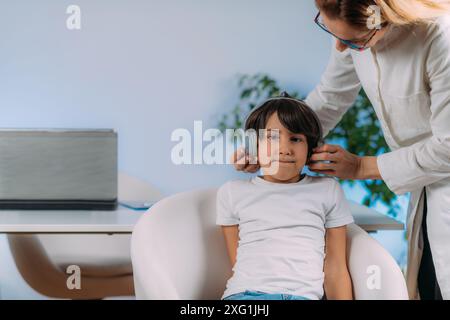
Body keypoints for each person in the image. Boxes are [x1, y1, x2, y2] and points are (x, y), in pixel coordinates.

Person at [234, 0, 450, 300]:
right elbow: (328, 100)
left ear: (381, 18)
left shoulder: (440, 38)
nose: (339, 48)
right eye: (329, 30)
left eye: (353, 42)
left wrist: (362, 167)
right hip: (426, 189)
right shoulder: (351, 33)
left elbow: (448, 147)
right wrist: (266, 144)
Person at [218, 94, 354, 300]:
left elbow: (335, 268)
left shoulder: (327, 190)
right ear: (254, 146)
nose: (283, 149)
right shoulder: (232, 193)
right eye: (271, 137)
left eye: (296, 138)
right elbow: (238, 262)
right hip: (245, 296)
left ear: (311, 148)